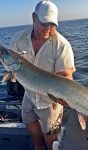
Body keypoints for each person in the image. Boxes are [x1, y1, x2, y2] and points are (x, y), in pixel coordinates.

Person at [8, 1, 76, 150]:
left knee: (50, 131)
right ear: (34, 17)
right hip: (29, 91)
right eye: (44, 23)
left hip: (50, 98)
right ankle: (39, 147)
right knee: (28, 119)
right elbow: (10, 64)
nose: (48, 28)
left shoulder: (62, 45)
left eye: (52, 24)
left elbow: (66, 75)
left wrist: (67, 98)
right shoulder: (17, 39)